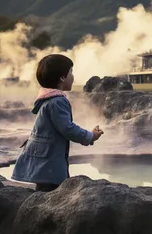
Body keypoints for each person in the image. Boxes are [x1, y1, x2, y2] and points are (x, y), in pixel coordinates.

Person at [11, 54, 104, 192]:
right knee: (52, 192)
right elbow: (67, 128)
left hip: (45, 159)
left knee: (44, 190)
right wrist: (90, 136)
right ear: (62, 77)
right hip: (49, 163)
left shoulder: (47, 97)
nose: (73, 76)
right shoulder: (57, 101)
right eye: (71, 72)